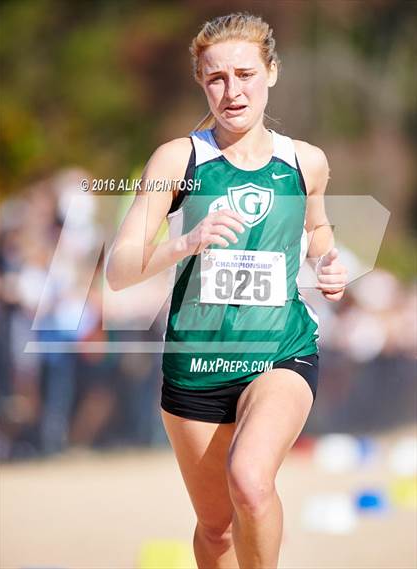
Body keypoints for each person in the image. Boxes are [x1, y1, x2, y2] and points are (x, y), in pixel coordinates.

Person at [107, 12, 348, 569]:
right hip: (196, 363)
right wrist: (183, 242)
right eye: (216, 78)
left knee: (251, 482)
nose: (232, 90)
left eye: (245, 74)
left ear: (272, 72)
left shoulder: (304, 162)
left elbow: (316, 229)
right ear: (200, 79)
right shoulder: (179, 160)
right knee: (215, 531)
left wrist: (328, 262)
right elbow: (119, 270)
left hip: (279, 352)